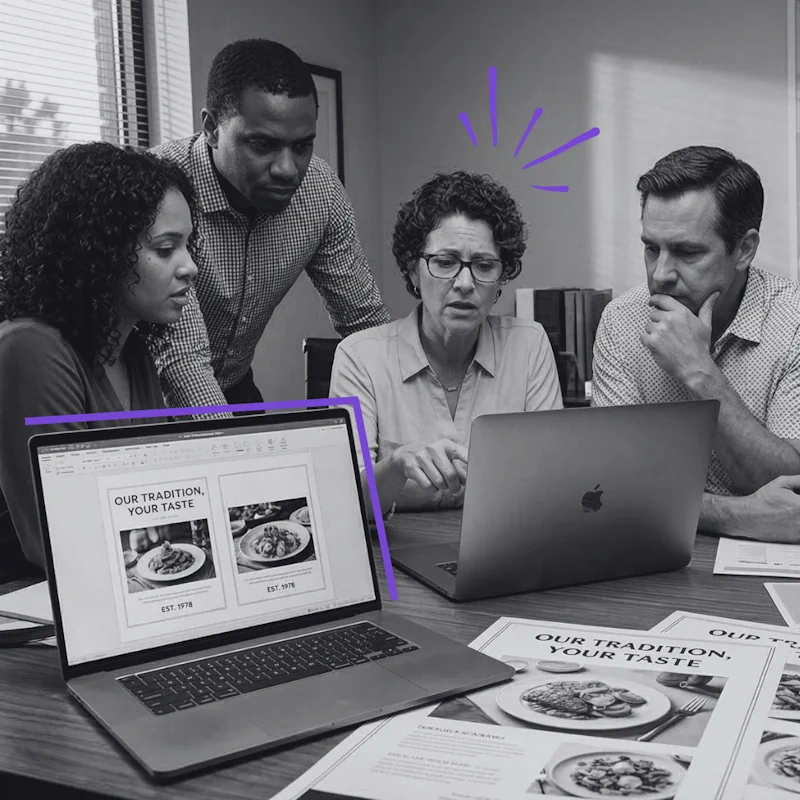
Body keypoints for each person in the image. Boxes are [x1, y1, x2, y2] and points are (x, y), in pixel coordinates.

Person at [150, 38, 390, 409]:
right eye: (262, 145)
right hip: (142, 397)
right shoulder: (158, 188)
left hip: (232, 383)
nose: (287, 169)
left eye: (302, 146)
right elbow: (182, 361)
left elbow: (365, 322)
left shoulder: (320, 192)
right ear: (212, 128)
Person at [0, 142, 199, 579]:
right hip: (33, 610)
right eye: (166, 249)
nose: (190, 267)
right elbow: (58, 539)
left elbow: (159, 490)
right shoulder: (30, 350)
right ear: (100, 251)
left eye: (188, 245)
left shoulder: (133, 351)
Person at [591, 145, 800, 543]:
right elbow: (611, 486)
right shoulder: (621, 321)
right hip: (650, 549)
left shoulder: (793, 322)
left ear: (744, 249)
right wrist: (734, 515)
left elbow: (794, 489)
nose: (662, 273)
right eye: (651, 248)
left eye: (687, 252)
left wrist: (699, 373)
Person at [329, 171, 562, 517]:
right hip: (394, 554)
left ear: (501, 278)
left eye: (484, 265)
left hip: (501, 545)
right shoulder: (359, 356)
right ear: (412, 270)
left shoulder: (529, 345)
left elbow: (552, 482)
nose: (465, 283)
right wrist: (395, 466)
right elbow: (344, 504)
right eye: (445, 262)